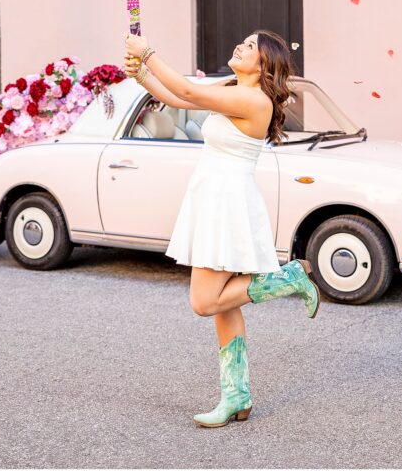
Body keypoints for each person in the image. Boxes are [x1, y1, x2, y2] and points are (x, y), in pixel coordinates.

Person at [123, 28, 320, 428]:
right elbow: (180, 98)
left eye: (250, 46)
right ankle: (237, 396)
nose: (240, 46)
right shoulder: (233, 87)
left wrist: (148, 51)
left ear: (264, 64)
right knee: (223, 306)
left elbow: (190, 94)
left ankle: (288, 279)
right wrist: (141, 76)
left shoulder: (253, 99)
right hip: (216, 200)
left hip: (227, 205)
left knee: (203, 301)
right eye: (243, 41)